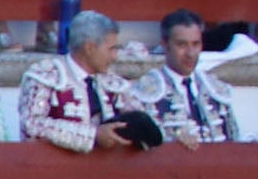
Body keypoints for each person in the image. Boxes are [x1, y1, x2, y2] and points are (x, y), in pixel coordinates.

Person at [19, 10, 167, 150]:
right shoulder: (46, 75)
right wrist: (93, 135)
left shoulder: (113, 82)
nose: (115, 56)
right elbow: (31, 125)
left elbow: (146, 122)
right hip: (53, 172)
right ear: (89, 48)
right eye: (111, 49)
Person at [138, 8, 247, 142]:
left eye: (196, 44)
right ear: (165, 45)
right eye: (181, 44)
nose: (190, 53)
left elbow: (234, 142)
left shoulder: (216, 89)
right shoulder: (145, 91)